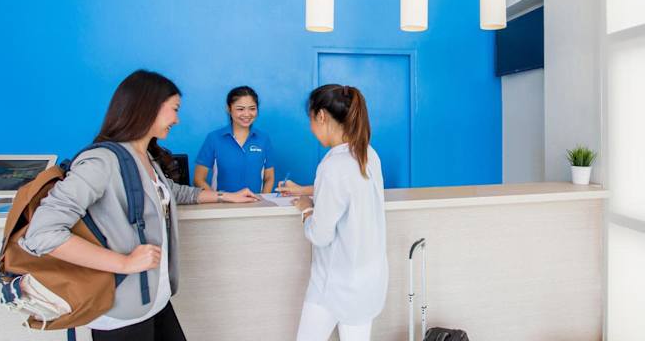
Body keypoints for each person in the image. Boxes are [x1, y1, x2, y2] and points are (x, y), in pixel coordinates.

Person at [19, 70, 259, 341]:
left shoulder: (144, 157)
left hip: (153, 300)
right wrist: (123, 262)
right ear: (149, 107)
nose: (177, 119)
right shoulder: (101, 162)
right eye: (174, 109)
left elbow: (171, 192)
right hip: (121, 311)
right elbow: (42, 233)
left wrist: (225, 196)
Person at [277, 84, 388, 341]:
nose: (311, 128)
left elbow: (320, 235)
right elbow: (351, 190)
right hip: (368, 280)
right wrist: (305, 189)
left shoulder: (332, 166)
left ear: (321, 116)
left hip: (335, 283)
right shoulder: (368, 154)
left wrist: (306, 208)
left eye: (310, 120)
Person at [194, 86, 275, 194]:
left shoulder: (263, 139)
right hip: (223, 203)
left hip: (256, 203)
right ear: (229, 109)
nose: (247, 114)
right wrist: (219, 199)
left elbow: (269, 177)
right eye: (240, 109)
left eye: (252, 108)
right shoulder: (213, 138)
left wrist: (263, 200)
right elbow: (198, 179)